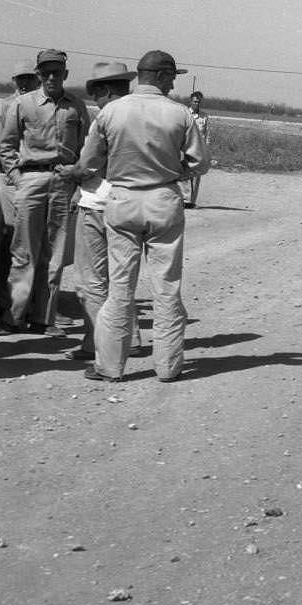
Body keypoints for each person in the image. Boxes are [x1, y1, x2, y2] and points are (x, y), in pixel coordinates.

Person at [77, 49, 208, 383]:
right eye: (172, 78)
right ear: (162, 77)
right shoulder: (180, 114)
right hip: (163, 199)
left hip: (121, 200)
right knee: (166, 287)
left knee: (120, 287)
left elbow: (89, 161)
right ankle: (167, 366)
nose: (173, 85)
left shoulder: (111, 112)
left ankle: (110, 366)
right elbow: (200, 164)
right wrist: (172, 169)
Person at [0, 48, 90, 335]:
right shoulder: (23, 104)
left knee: (54, 254)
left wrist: (76, 182)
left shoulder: (76, 107)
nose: (50, 77)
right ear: (37, 75)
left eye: (56, 72)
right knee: (23, 252)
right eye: (45, 72)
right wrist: (16, 177)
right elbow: (5, 146)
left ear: (65, 75)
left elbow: (85, 148)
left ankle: (44, 319)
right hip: (31, 180)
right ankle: (13, 317)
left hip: (63, 181)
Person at [72, 60, 143, 362]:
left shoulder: (104, 118)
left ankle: (97, 344)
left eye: (96, 93)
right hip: (130, 204)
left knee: (92, 281)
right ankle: (133, 338)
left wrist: (71, 172)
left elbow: (88, 163)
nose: (95, 100)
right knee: (121, 278)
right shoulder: (142, 116)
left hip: (97, 204)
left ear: (104, 90)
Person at [0, 60, 41, 229]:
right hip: (9, 178)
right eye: (21, 79)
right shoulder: (1, 108)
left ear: (38, 80)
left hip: (36, 178)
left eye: (29, 78)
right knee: (14, 228)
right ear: (14, 81)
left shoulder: (42, 107)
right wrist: (17, 172)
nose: (25, 83)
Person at [184, 91, 210, 208]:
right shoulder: (185, 114)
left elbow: (207, 134)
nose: (196, 104)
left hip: (199, 149)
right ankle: (184, 200)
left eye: (198, 102)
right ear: (190, 101)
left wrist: (206, 149)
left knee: (196, 176)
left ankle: (192, 202)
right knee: (185, 174)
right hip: (186, 147)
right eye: (194, 101)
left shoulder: (204, 116)